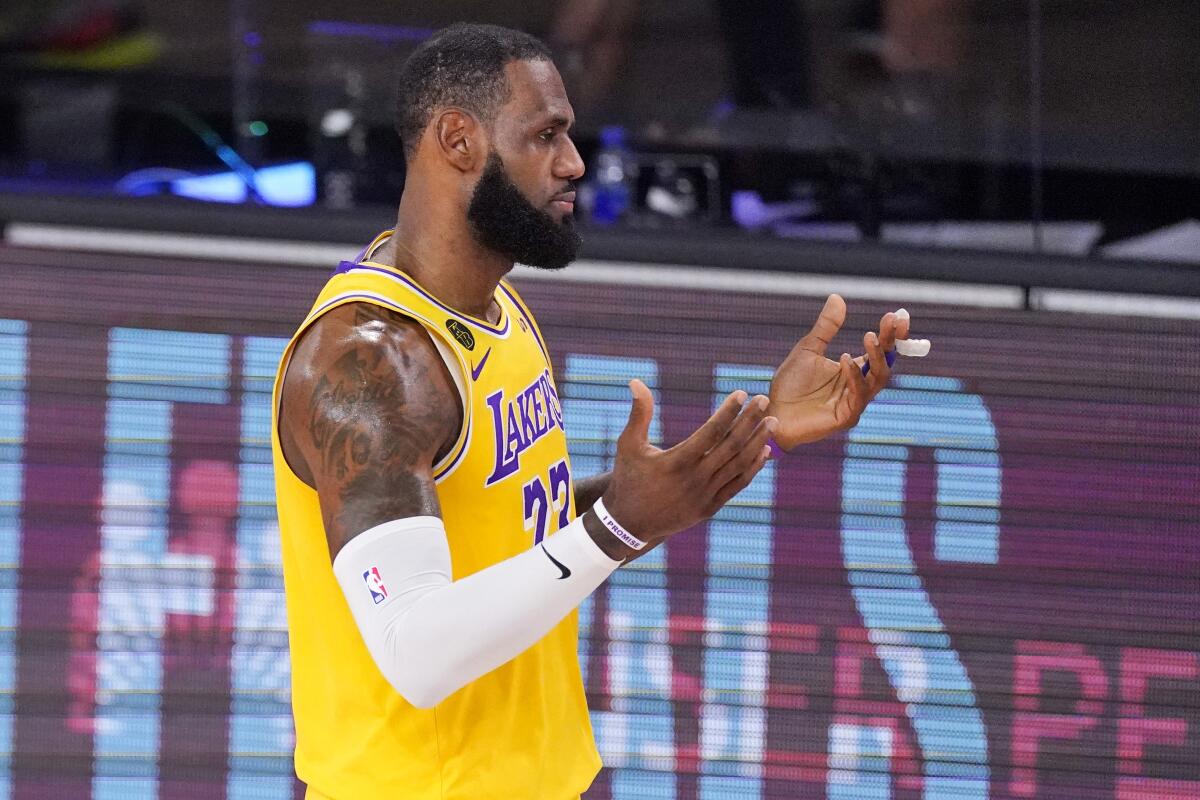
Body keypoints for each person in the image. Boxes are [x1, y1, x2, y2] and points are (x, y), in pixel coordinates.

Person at [271, 22, 910, 800]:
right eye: (546, 136)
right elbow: (417, 651)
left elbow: (518, 529)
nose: (574, 163)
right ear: (458, 141)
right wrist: (618, 528)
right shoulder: (368, 362)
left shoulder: (493, 307)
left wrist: (752, 438)